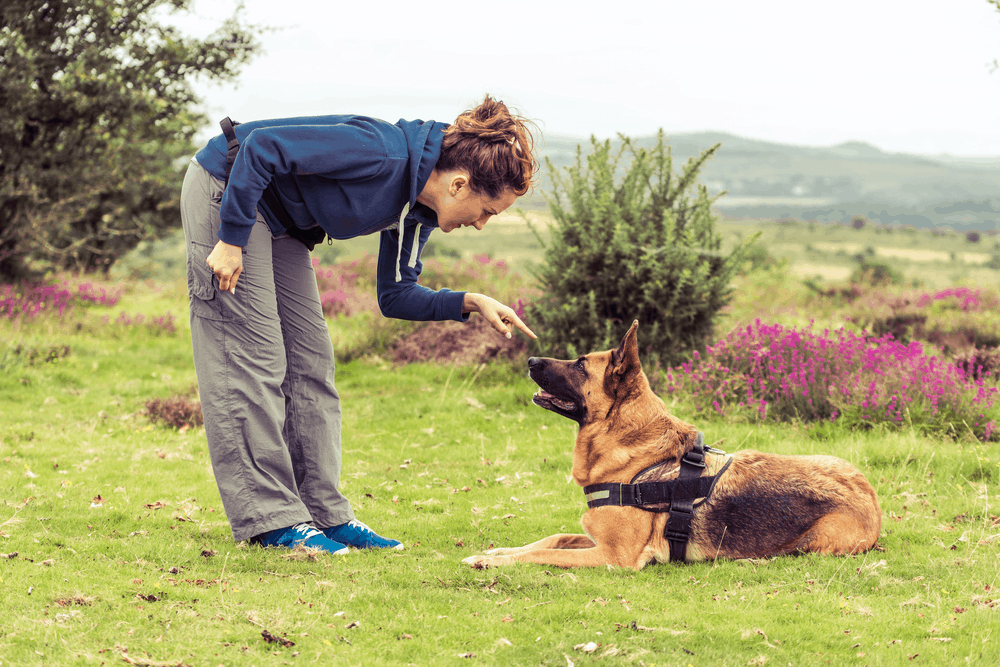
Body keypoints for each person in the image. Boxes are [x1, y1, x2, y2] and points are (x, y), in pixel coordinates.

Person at [179, 95, 537, 554]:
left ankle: (324, 513)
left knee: (311, 363)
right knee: (254, 358)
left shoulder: (416, 213)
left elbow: (395, 295)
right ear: (459, 185)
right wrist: (230, 239)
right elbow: (262, 147)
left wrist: (469, 301)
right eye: (487, 210)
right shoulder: (380, 150)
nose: (483, 225)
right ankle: (271, 519)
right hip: (231, 190)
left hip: (284, 221)